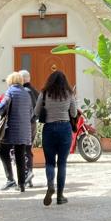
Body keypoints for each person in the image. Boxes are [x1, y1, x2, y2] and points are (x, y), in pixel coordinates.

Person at [34, 70, 77, 207]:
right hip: (64, 128)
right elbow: (74, 113)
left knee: (50, 162)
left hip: (49, 129)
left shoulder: (45, 93)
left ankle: (50, 185)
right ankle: (60, 196)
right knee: (62, 163)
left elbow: (36, 112)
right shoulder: (69, 94)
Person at [0, 72, 34, 192]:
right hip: (24, 130)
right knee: (20, 155)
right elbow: (30, 112)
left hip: (11, 129)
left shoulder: (10, 92)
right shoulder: (26, 93)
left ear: (10, 81)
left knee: (3, 151)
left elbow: (3, 107)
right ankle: (22, 185)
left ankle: (10, 179)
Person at [19, 69, 39, 188]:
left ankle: (27, 174)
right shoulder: (35, 91)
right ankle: (29, 175)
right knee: (28, 149)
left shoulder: (23, 92)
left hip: (24, 124)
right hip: (33, 124)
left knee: (22, 150)